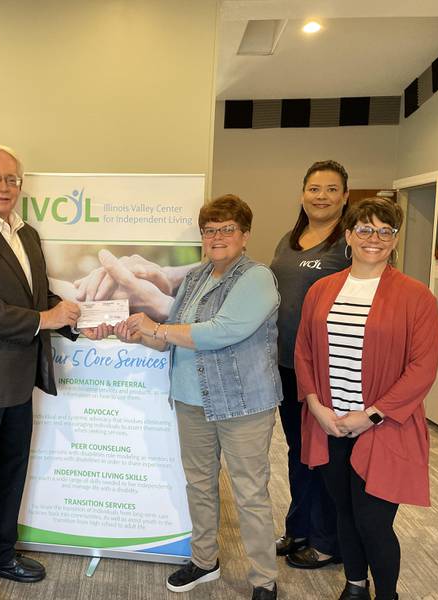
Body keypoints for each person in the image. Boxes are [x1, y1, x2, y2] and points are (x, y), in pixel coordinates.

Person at [0, 145, 106, 600]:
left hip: (17, 377)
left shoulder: (25, 234)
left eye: (13, 179)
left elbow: (35, 296)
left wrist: (79, 319)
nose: (5, 187)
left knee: (10, 472)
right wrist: (46, 319)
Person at [114, 194, 281, 600]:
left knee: (249, 492)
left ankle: (264, 580)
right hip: (191, 400)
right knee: (199, 485)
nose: (218, 237)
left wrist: (157, 328)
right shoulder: (193, 280)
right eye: (210, 230)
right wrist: (131, 332)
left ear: (245, 235)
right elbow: (169, 339)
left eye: (227, 229)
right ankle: (205, 561)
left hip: (242, 404)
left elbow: (221, 331)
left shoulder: (256, 277)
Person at [295, 197, 438, 600]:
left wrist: (372, 415)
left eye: (385, 231)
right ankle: (355, 585)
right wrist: (316, 406)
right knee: (344, 512)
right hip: (330, 424)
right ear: (348, 235)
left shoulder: (416, 296)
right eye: (364, 229)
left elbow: (422, 369)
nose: (373, 238)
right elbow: (304, 350)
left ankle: (386, 595)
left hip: (384, 427)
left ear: (394, 240)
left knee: (373, 521)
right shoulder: (322, 290)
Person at [270, 160, 350, 569]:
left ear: (345, 197)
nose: (322, 196)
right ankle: (298, 528)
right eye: (315, 188)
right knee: (297, 451)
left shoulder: (348, 244)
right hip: (286, 365)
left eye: (332, 189)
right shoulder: (289, 239)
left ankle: (326, 540)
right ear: (303, 193)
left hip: (326, 370)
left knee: (324, 454)